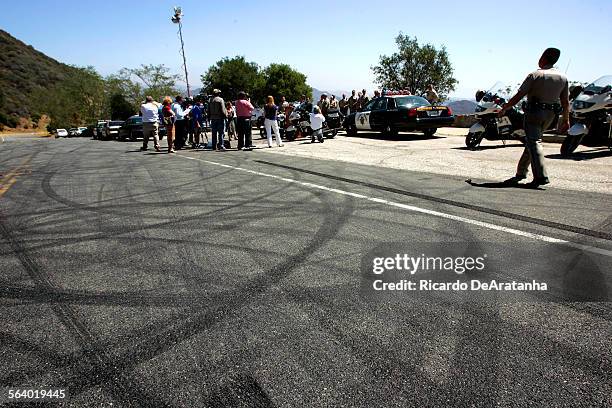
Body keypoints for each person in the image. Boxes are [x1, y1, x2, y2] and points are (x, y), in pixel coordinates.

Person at [498, 47, 570, 188]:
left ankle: (540, 176)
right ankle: (521, 172)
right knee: (532, 142)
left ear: (543, 57)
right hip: (550, 115)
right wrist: (566, 119)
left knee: (534, 142)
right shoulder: (563, 77)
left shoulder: (535, 75)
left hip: (534, 113)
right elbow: (565, 102)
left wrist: (505, 108)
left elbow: (519, 95)